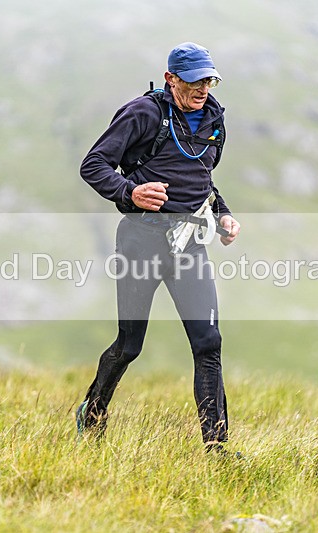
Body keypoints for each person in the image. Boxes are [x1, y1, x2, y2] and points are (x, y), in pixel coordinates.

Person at [76, 42, 241, 454]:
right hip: (141, 241)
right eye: (192, 81)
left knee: (208, 343)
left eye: (208, 80)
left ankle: (216, 449)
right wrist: (131, 192)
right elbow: (93, 165)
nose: (202, 88)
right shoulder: (143, 113)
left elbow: (201, 178)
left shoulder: (215, 120)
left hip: (188, 245)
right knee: (130, 345)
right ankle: (91, 413)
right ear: (171, 79)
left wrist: (221, 214)